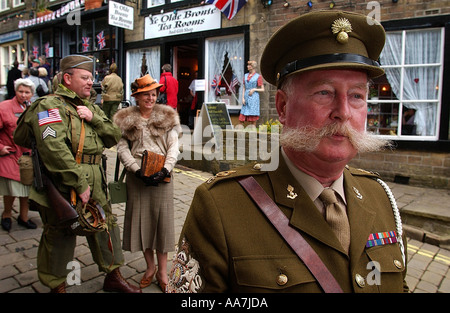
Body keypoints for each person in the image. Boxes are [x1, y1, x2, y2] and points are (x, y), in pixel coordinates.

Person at [168, 11, 409, 293]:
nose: (343, 113)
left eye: (356, 96)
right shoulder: (220, 207)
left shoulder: (381, 198)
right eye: (324, 92)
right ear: (282, 107)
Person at [13, 55, 141, 293]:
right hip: (64, 178)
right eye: (85, 77)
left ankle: (113, 275)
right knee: (60, 232)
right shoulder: (48, 106)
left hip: (96, 176)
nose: (90, 82)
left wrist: (94, 119)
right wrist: (79, 184)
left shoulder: (90, 106)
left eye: (92, 78)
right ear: (67, 78)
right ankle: (57, 285)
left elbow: (113, 136)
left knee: (106, 224)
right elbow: (53, 150)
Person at [113, 74, 180, 292]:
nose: (150, 98)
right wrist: (135, 169)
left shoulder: (167, 117)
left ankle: (162, 271)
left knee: (161, 224)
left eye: (153, 94)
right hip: (137, 177)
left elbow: (173, 147)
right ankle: (149, 268)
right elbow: (122, 148)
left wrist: (165, 169)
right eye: (145, 95)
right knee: (142, 223)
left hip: (163, 175)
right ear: (137, 97)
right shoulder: (127, 120)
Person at [0, 78, 36, 231]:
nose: (23, 95)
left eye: (27, 92)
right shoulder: (4, 107)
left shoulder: (33, 108)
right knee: (11, 189)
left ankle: (24, 216)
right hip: (10, 154)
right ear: (15, 91)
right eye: (20, 91)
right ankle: (6, 215)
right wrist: (0, 147)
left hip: (28, 156)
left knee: (26, 189)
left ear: (32, 94)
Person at [239, 60, 264, 128]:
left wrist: (254, 89)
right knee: (242, 118)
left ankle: (252, 133)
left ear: (253, 67)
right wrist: (243, 98)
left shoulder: (258, 76)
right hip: (246, 97)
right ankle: (240, 133)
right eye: (248, 65)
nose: (248, 66)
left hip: (254, 98)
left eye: (249, 65)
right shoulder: (245, 75)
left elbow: (262, 89)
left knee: (253, 118)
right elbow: (244, 87)